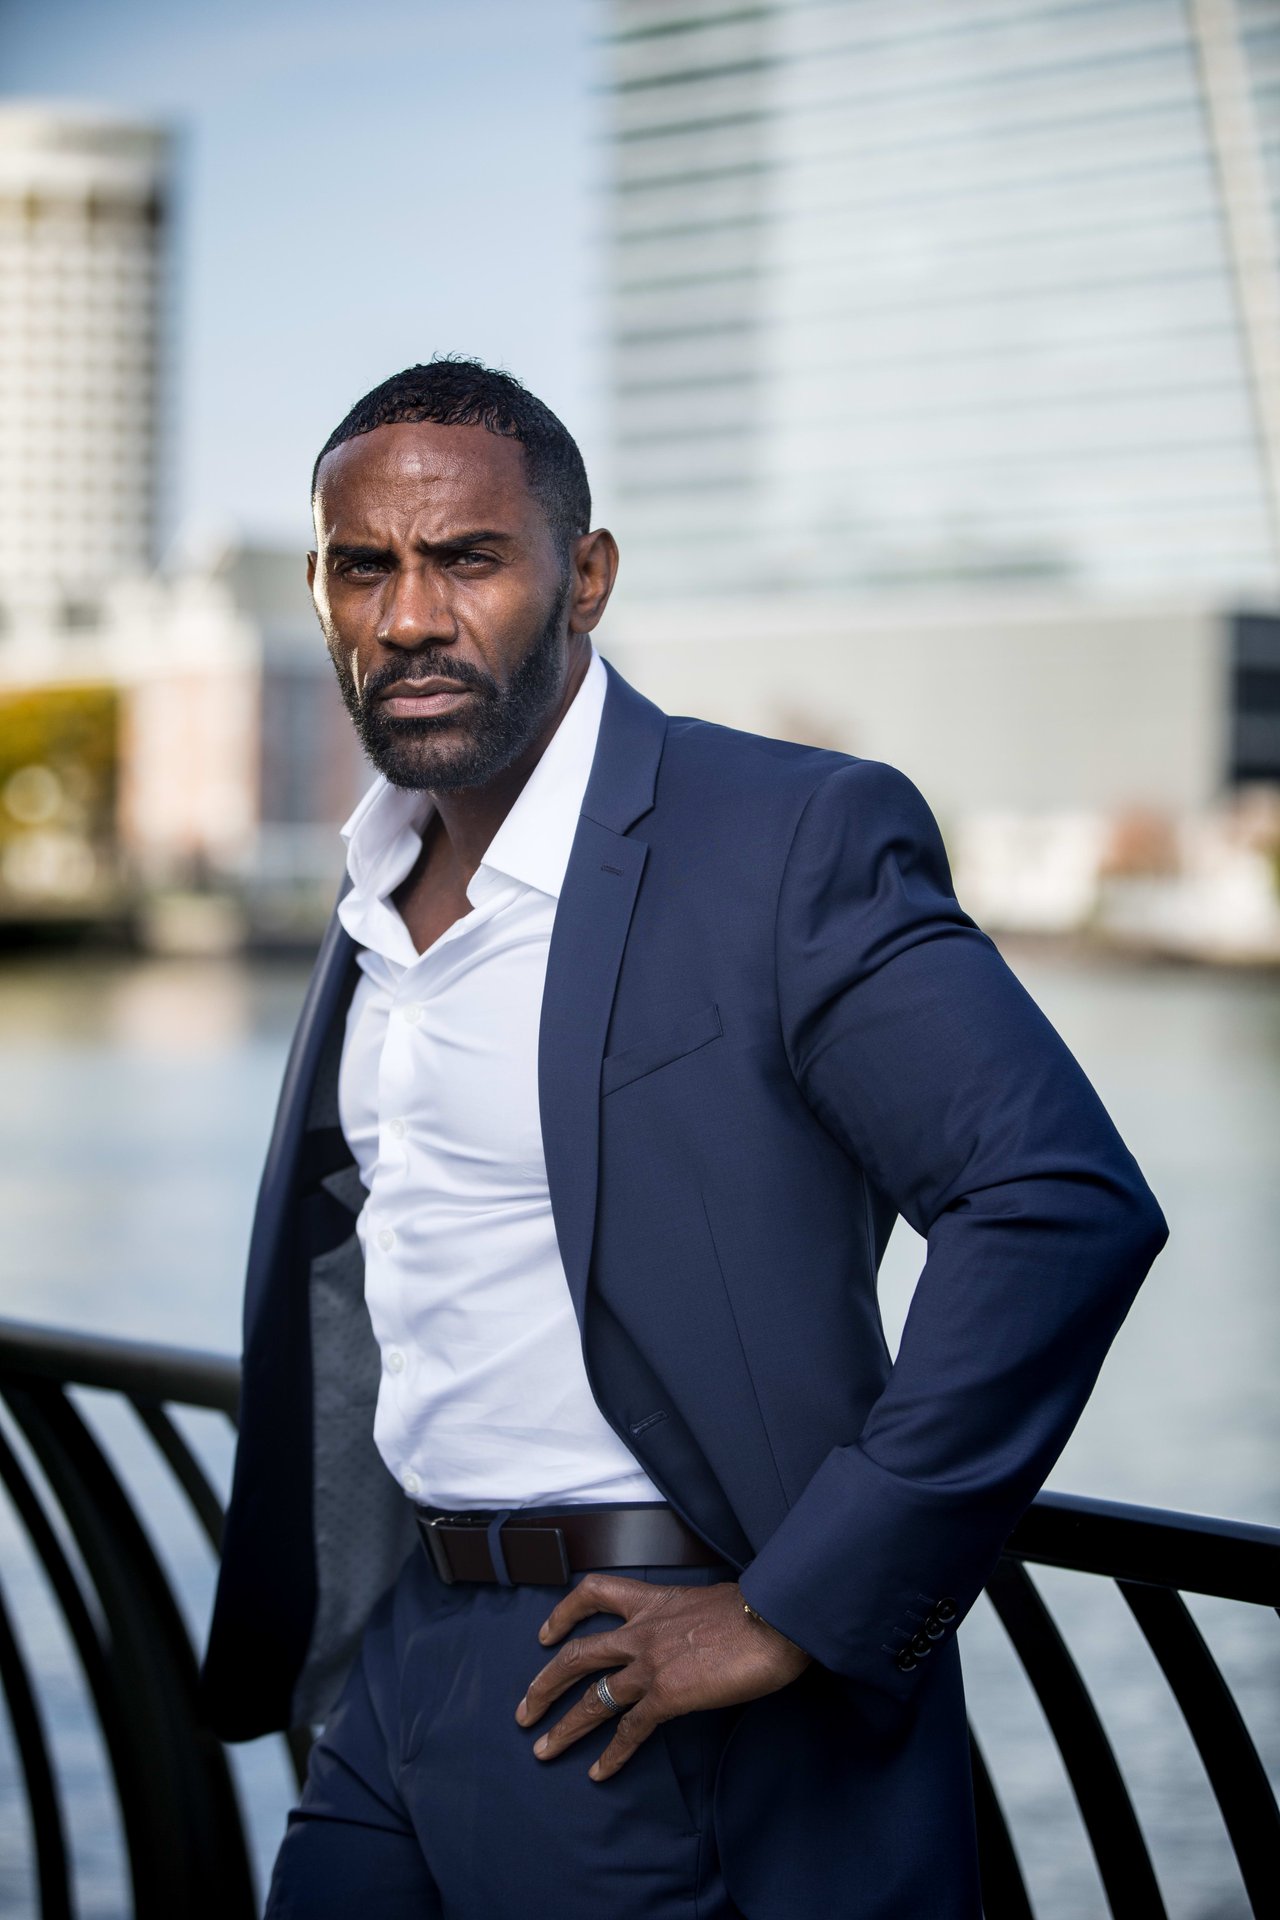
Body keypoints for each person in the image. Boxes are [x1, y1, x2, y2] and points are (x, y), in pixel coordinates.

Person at [200, 357, 1167, 1918]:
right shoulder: (376, 881)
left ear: (586, 577)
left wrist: (797, 1610)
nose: (409, 617)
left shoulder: (783, 837)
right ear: (321, 587)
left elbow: (1054, 1202)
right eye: (363, 567)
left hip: (641, 1675)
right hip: (402, 1665)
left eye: (468, 559)